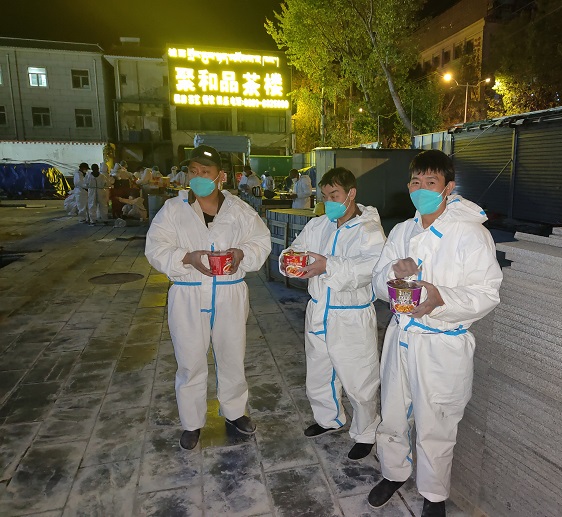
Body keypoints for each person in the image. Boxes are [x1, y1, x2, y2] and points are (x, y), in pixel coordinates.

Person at [367, 150, 502, 517]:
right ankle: (394, 472)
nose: (422, 189)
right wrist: (394, 273)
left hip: (442, 343)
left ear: (448, 187)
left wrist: (441, 299)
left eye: (431, 182)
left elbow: (487, 294)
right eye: (416, 182)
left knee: (435, 422)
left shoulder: (471, 234)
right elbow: (378, 282)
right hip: (401, 335)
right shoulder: (402, 231)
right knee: (393, 412)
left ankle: (434, 494)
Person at [145, 144, 271, 451]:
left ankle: (235, 412)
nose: (198, 177)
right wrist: (187, 258)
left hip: (229, 292)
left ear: (220, 176)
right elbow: (155, 248)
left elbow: (261, 242)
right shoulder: (173, 210)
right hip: (188, 293)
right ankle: (191, 422)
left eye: (206, 171)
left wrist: (242, 253)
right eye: (193, 171)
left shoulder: (239, 210)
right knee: (189, 361)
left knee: (232, 356)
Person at [279, 167, 385, 460]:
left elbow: (372, 268)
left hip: (351, 314)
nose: (329, 202)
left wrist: (329, 266)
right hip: (318, 310)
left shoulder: (369, 231)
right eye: (324, 196)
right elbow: (296, 248)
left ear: (351, 194)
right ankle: (328, 419)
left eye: (334, 195)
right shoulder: (319, 225)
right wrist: (289, 260)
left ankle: (366, 432)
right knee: (319, 372)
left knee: (359, 379)